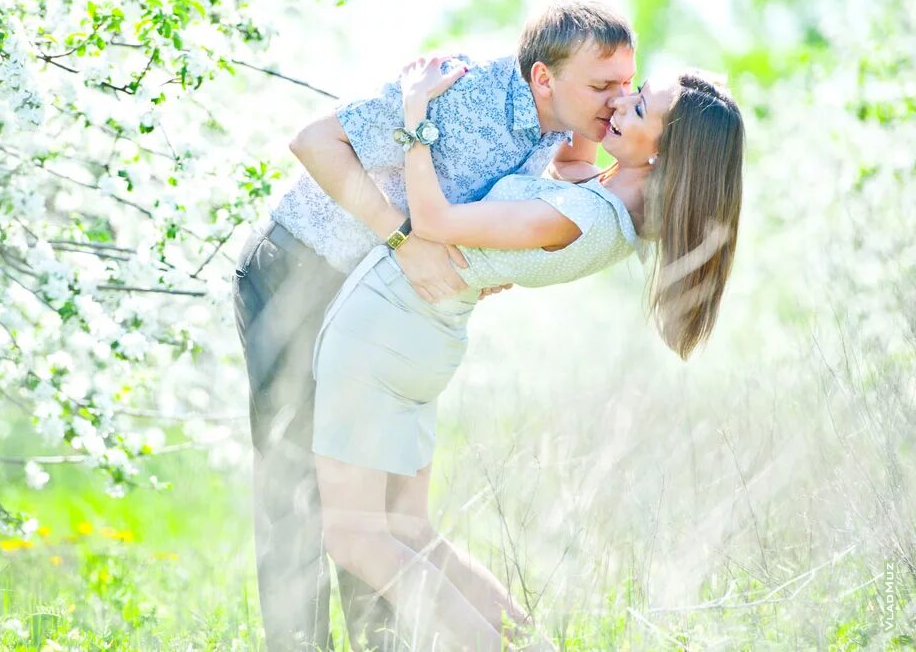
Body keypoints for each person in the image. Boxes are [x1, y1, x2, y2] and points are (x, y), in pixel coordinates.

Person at [232, 1, 636, 651]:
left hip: (377, 312)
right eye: (602, 87)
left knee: (375, 507)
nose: (620, 100)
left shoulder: (561, 125)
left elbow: (558, 186)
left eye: (626, 84)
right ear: (543, 78)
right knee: (298, 485)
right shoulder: (459, 89)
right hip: (300, 273)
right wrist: (404, 239)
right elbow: (313, 140)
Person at [310, 56, 745, 651]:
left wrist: (416, 115)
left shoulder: (584, 217)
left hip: (384, 332)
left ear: (666, 155)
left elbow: (433, 221)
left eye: (637, 106)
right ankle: (529, 642)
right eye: (626, 91)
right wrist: (579, 108)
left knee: (356, 538)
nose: (620, 103)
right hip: (420, 336)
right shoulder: (612, 201)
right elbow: (569, 161)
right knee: (410, 530)